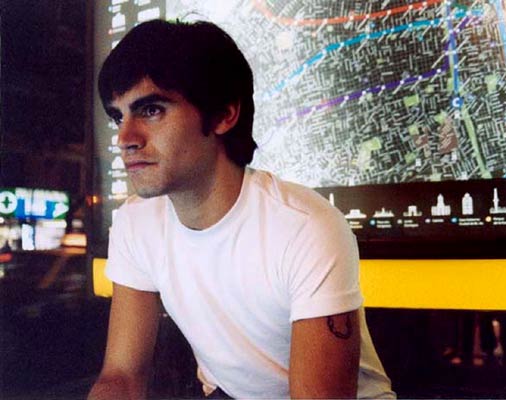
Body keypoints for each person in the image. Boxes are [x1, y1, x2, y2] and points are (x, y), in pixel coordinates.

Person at [88, 19, 395, 399]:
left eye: (151, 110)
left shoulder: (305, 227)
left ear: (223, 115)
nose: (125, 138)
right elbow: (121, 376)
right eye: (118, 117)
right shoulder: (136, 224)